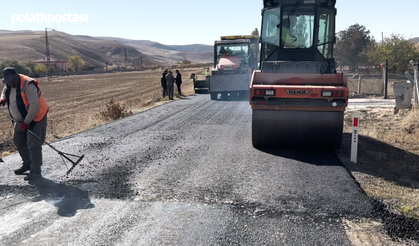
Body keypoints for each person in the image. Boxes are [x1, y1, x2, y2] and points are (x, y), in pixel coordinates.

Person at [0, 67, 49, 181]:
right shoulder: (9, 85)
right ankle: (27, 164)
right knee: (18, 140)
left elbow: (34, 107)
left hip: (36, 117)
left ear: (16, 76)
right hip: (22, 119)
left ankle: (36, 172)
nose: (10, 84)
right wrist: (2, 99)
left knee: (33, 144)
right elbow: (4, 91)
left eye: (11, 81)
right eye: (7, 82)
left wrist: (26, 122)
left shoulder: (28, 85)